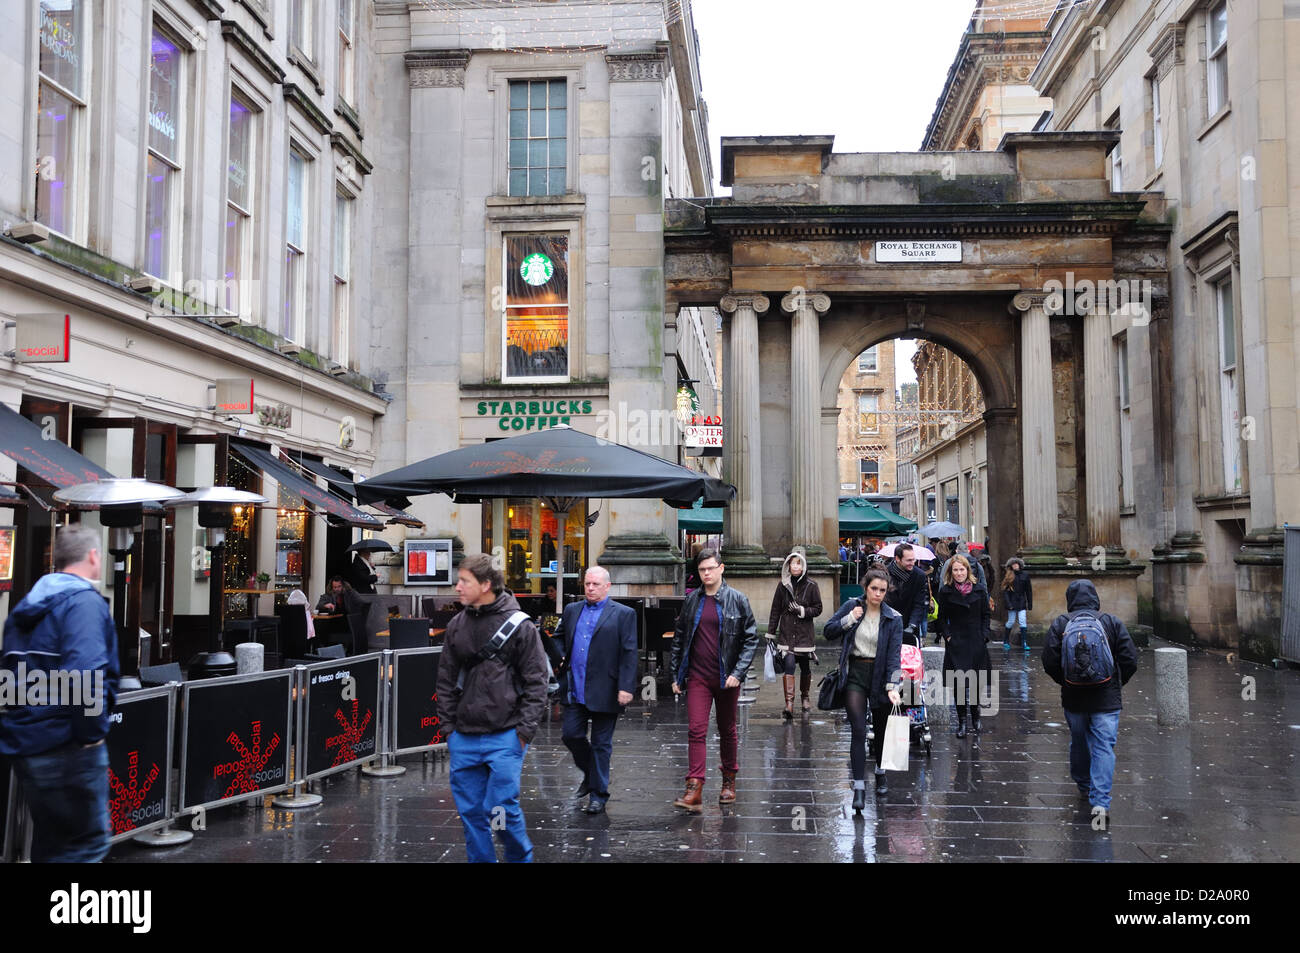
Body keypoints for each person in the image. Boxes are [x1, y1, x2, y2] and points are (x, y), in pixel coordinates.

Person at [0, 524, 119, 862]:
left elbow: (9, 677)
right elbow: (86, 672)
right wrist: (91, 735)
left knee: (52, 848)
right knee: (87, 847)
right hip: (67, 746)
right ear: (94, 557)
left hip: (28, 744)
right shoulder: (83, 603)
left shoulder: (28, 605)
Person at [436, 553, 549, 863]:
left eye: (464, 581)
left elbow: (537, 682)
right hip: (464, 736)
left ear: (485, 585)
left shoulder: (520, 626)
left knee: (500, 808)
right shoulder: (457, 624)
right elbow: (444, 679)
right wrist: (449, 730)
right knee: (471, 813)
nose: (457, 587)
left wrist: (523, 732)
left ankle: (518, 857)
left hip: (506, 735)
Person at [669, 548, 759, 812]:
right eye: (701, 569)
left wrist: (738, 673)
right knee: (696, 729)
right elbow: (679, 638)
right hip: (697, 676)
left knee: (727, 729)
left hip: (726, 677)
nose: (706, 573)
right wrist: (676, 674)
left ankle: (729, 780)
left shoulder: (737, 599)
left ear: (721, 568)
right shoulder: (692, 600)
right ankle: (694, 788)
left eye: (710, 568)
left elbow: (751, 638)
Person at [1042, 580, 1138, 821]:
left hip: (1074, 697)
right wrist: (1116, 682)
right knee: (1104, 746)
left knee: (1079, 741)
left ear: (1069, 599)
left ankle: (1084, 785)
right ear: (1095, 598)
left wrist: (1066, 681)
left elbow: (1049, 662)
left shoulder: (1061, 624)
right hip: (1106, 698)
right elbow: (1129, 659)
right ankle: (1101, 802)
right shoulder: (1111, 622)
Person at [554, 566, 637, 814]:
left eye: (595, 584)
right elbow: (558, 638)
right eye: (587, 584)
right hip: (575, 687)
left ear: (607, 587)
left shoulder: (623, 614)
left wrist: (626, 686)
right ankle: (592, 775)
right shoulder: (572, 610)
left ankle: (598, 795)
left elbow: (629, 652)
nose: (590, 588)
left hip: (606, 688)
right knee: (571, 735)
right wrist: (559, 658)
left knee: (601, 744)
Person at [823, 569, 903, 811]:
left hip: (880, 677)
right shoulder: (852, 606)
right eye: (873, 589)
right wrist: (849, 619)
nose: (877, 594)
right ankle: (859, 786)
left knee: (881, 730)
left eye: (882, 590)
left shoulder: (893, 618)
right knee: (858, 729)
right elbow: (828, 630)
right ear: (865, 588)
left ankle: (880, 771)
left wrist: (893, 686)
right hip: (856, 673)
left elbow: (894, 656)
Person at [935, 555, 992, 741]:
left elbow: (985, 615)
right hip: (957, 641)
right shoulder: (945, 591)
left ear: (968, 570)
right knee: (959, 685)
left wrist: (984, 635)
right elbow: (941, 618)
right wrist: (948, 636)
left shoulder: (980, 589)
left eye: (962, 569)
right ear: (951, 573)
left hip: (976, 640)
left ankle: (975, 716)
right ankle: (961, 722)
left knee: (976, 682)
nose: (959, 573)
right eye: (956, 570)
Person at [766, 550, 823, 720]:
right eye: (793, 563)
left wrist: (802, 610)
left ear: (803, 565)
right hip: (787, 633)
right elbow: (775, 609)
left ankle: (805, 697)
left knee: (805, 667)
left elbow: (818, 608)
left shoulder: (812, 586)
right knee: (789, 665)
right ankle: (789, 704)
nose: (796, 566)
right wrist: (770, 632)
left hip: (805, 635)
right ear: (788, 566)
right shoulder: (782, 585)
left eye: (799, 563)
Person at [885, 542, 929, 639]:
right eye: (909, 560)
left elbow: (919, 603)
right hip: (888, 625)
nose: (912, 563)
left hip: (910, 625)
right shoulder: (884, 573)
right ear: (897, 559)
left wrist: (912, 625)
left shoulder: (919, 575)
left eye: (913, 559)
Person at [1001, 557, 1033, 651]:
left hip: (1021, 602)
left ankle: (1024, 642)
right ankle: (1006, 640)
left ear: (1019, 565)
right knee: (1011, 621)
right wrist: (1008, 603)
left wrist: (1030, 603)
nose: (1015, 565)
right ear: (1011, 566)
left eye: (1016, 564)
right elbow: (1006, 592)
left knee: (1023, 621)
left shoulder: (1025, 575)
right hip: (1012, 602)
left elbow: (1029, 591)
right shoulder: (1009, 575)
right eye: (1013, 564)